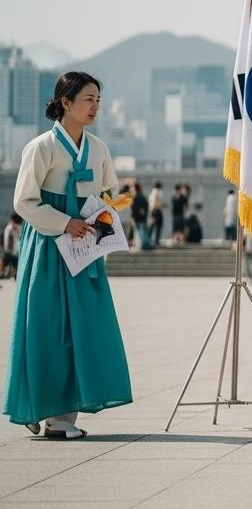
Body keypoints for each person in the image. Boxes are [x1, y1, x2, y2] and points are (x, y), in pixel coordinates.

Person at [7, 71, 132, 438]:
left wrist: (107, 212)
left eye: (98, 101)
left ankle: (57, 414)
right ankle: (46, 411)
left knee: (84, 328)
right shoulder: (41, 147)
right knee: (47, 326)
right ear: (65, 103)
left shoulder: (98, 148)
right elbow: (24, 201)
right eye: (87, 100)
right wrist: (65, 222)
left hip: (85, 250)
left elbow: (110, 192)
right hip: (48, 248)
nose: (95, 107)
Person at [129, 182, 151, 250]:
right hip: (139, 219)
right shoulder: (138, 197)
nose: (131, 190)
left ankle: (144, 246)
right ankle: (143, 245)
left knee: (140, 233)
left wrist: (143, 211)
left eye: (132, 189)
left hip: (139, 219)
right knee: (140, 233)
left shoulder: (138, 197)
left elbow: (142, 208)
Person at [2, 214, 22, 279]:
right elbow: (7, 240)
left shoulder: (15, 227)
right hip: (9, 251)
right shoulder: (10, 228)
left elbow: (18, 238)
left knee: (11, 263)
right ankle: (4, 273)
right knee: (7, 262)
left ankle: (11, 273)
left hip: (13, 251)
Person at [148, 181, 164, 246]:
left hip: (152, 211)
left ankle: (148, 238)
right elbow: (155, 201)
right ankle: (156, 240)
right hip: (157, 210)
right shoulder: (157, 192)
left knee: (152, 226)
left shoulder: (152, 192)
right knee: (158, 226)